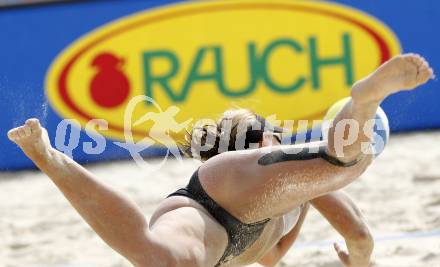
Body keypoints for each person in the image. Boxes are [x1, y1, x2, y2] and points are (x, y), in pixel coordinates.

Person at [7, 54, 433, 267]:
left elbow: (272, 255)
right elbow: (358, 235)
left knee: (159, 257)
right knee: (346, 162)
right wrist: (362, 261)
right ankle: (364, 100)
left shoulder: (295, 190)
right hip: (220, 202)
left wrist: (306, 207)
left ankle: (52, 160)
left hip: (212, 223)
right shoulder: (293, 181)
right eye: (268, 138)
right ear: (264, 141)